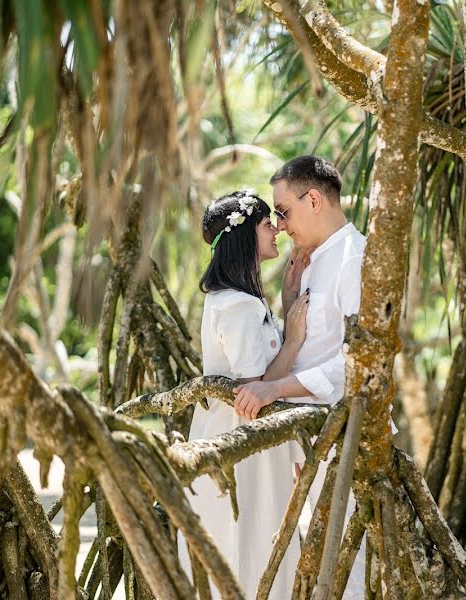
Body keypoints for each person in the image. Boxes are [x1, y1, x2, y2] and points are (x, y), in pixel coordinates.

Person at [233, 156, 388, 599]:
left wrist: (274, 388)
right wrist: (287, 301)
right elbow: (309, 344)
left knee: (348, 569)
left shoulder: (355, 260)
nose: (278, 225)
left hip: (347, 439)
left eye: (282, 211)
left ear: (314, 199)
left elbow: (360, 364)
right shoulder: (314, 259)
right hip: (313, 437)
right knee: (323, 564)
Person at [177, 190, 310, 599]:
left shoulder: (238, 300)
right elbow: (257, 388)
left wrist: (287, 298)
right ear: (244, 236)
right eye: (267, 224)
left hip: (249, 442)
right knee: (247, 541)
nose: (276, 230)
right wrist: (293, 340)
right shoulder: (236, 306)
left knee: (255, 539)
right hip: (243, 444)